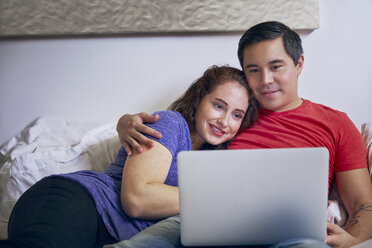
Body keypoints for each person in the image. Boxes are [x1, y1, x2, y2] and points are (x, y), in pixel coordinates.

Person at [112, 21, 372, 248]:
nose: (266, 79)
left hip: (290, 228)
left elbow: (364, 204)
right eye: (254, 70)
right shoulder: (235, 118)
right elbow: (183, 137)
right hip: (211, 220)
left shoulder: (336, 124)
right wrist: (124, 123)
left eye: (276, 67)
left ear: (299, 64)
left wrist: (352, 239)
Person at [0, 65, 258, 248]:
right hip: (82, 202)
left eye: (236, 115)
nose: (225, 121)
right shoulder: (170, 123)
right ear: (200, 99)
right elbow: (138, 198)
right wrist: (220, 200)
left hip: (113, 236)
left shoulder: (211, 160)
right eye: (219, 106)